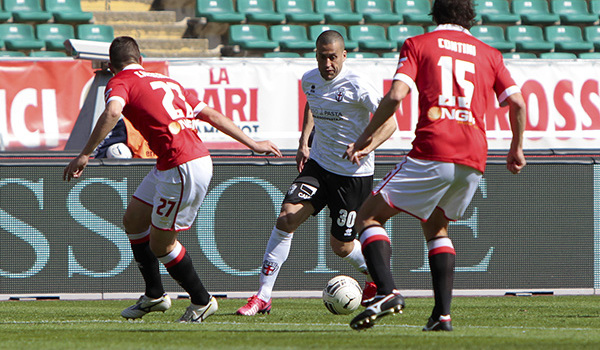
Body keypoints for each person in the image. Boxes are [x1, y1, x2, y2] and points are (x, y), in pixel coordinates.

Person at [63, 36, 282, 323]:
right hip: (176, 162)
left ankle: (202, 301)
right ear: (141, 59)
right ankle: (154, 294)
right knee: (133, 220)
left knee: (161, 245)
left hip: (182, 166)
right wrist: (251, 142)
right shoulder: (168, 81)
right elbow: (211, 114)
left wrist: (85, 154)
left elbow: (113, 111)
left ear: (111, 66)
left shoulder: (120, 82)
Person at [344, 0, 527, 331]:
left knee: (368, 216)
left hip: (433, 148)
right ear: (469, 15)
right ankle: (441, 316)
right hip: (474, 157)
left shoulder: (419, 44)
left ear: (436, 13)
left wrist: (364, 137)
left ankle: (386, 292)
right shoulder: (489, 53)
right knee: (437, 227)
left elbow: (397, 95)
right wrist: (516, 148)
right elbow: (516, 101)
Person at [236, 30, 397, 316]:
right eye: (322, 57)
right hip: (320, 166)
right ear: (316, 55)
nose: (327, 64)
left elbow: (391, 124)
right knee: (286, 217)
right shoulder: (309, 80)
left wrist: (363, 146)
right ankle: (263, 296)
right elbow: (314, 104)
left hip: (353, 175)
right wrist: (303, 142)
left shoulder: (359, 86)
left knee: (342, 247)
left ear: (343, 55)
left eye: (333, 57)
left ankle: (374, 274)